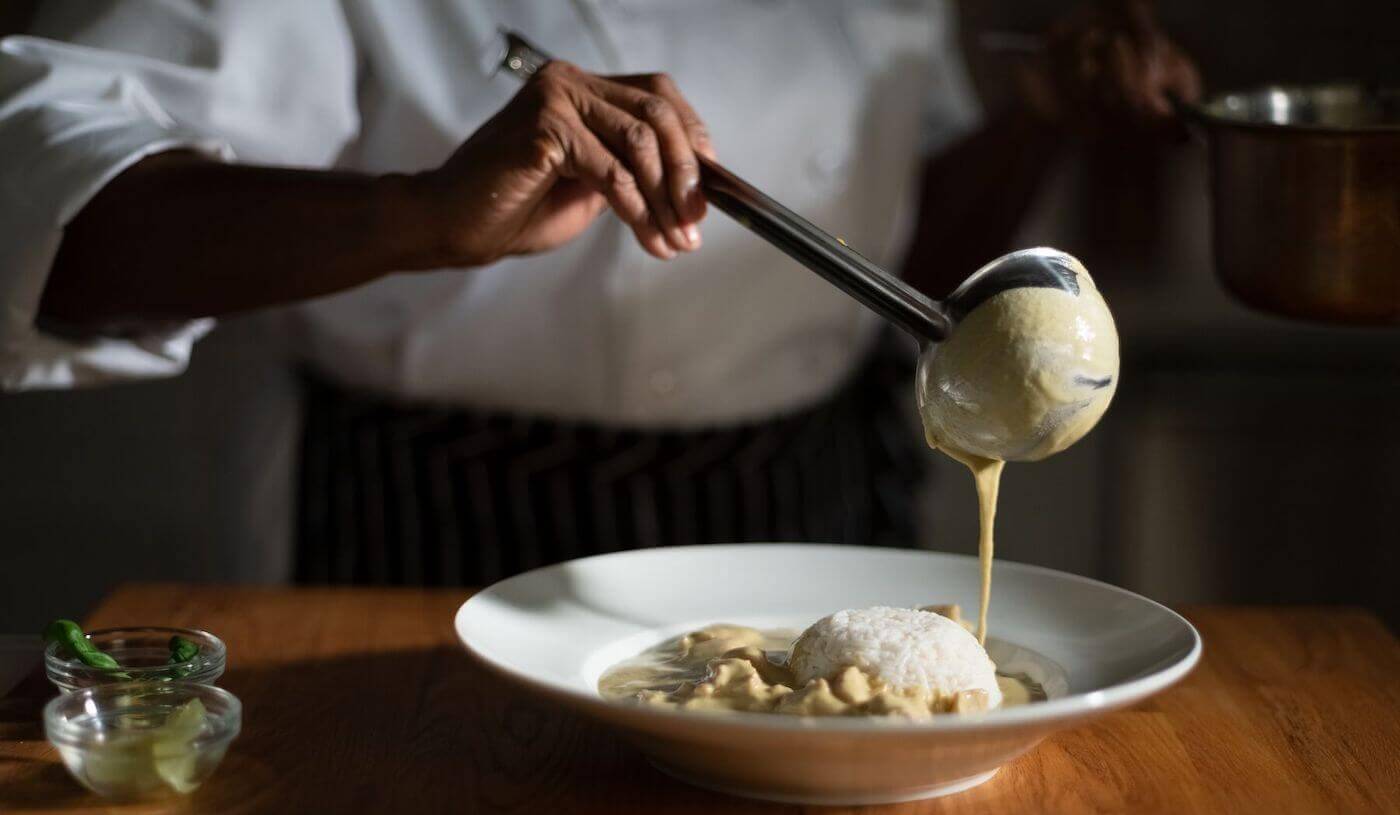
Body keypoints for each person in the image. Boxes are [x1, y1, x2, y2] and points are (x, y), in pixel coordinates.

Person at [0, 0, 1198, 586]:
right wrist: (423, 212)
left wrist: (1036, 123)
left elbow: (895, 256)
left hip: (799, 501)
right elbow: (57, 211)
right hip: (428, 525)